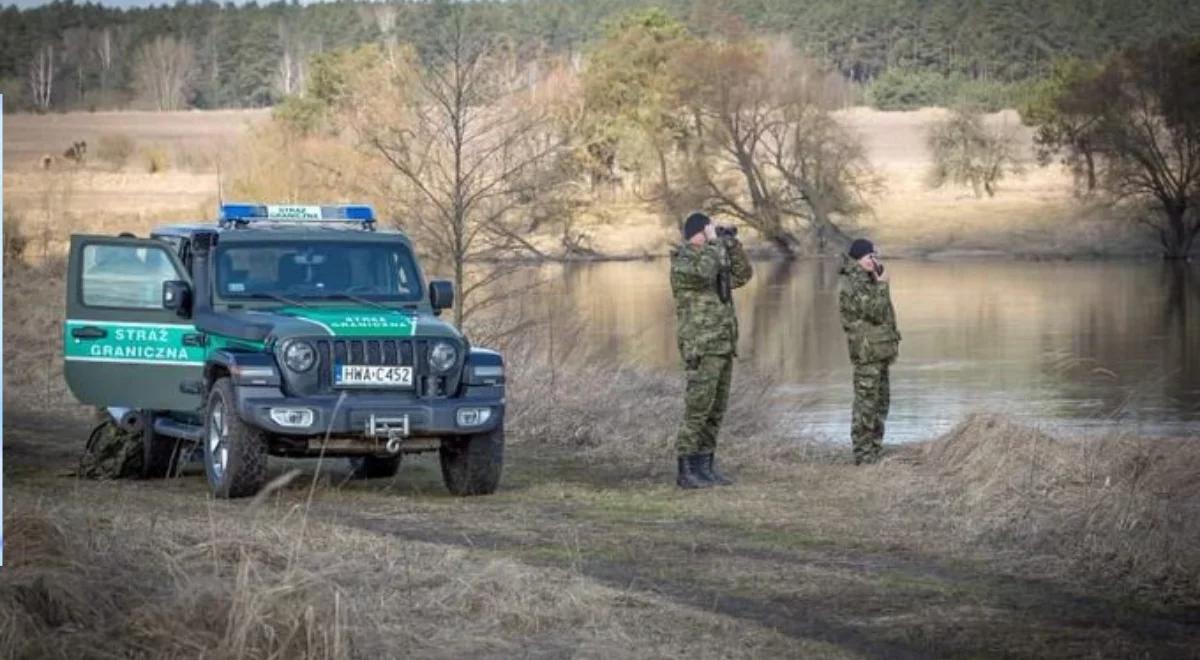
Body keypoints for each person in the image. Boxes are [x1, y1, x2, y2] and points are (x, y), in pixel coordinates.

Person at [669, 211, 753, 489]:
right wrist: (715, 244)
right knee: (698, 409)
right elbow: (705, 273)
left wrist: (731, 245)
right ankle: (686, 470)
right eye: (709, 230)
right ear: (699, 233)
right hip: (701, 345)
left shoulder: (714, 254)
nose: (714, 235)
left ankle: (705, 466)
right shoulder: (684, 261)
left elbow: (743, 275)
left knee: (716, 410)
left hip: (722, 344)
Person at [837, 238, 901, 465]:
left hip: (879, 351)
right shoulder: (852, 282)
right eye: (868, 257)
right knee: (866, 404)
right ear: (858, 258)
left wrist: (878, 282)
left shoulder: (868, 279)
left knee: (881, 402)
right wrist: (883, 284)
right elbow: (872, 311)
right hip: (866, 354)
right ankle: (863, 456)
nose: (873, 261)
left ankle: (874, 450)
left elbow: (884, 314)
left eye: (875, 256)